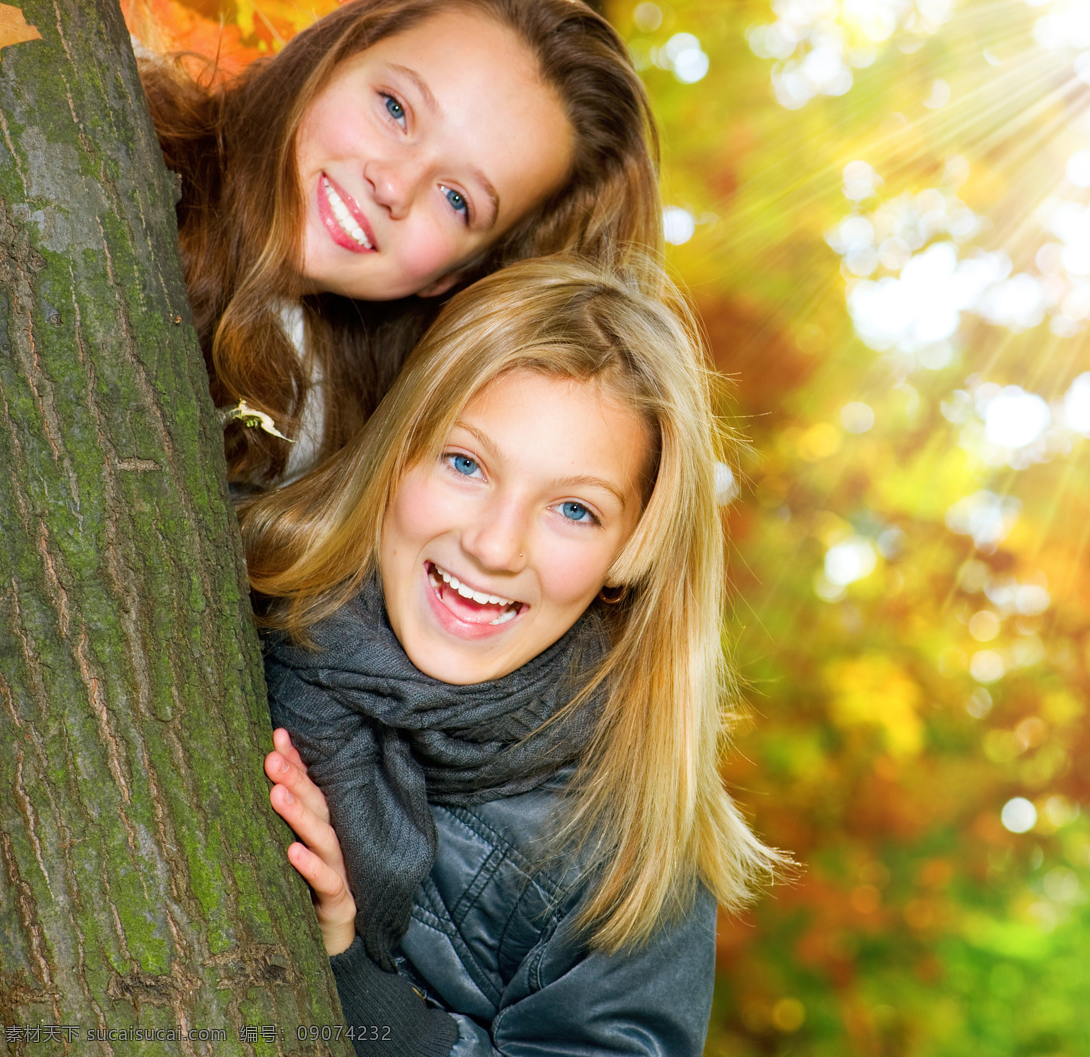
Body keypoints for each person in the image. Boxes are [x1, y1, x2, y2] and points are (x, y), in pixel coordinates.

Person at [240, 256, 778, 1055]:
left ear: (629, 553)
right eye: (466, 463)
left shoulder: (624, 846)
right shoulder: (243, 595)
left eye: (573, 508)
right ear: (399, 454)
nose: (494, 545)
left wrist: (347, 965)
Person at [138, 0, 661, 484]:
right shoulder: (116, 138)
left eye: (457, 199)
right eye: (395, 108)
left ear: (454, 276)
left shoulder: (332, 453)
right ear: (336, 54)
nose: (392, 185)